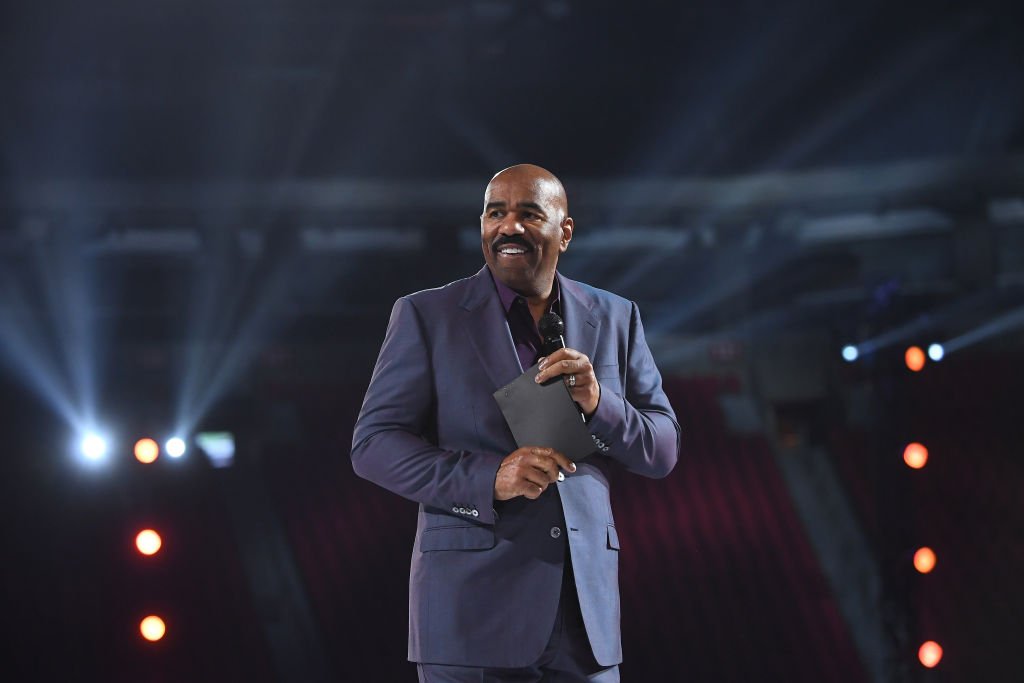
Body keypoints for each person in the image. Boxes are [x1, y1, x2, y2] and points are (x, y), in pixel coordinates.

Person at [351, 164, 680, 682]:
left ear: (564, 231)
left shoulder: (617, 316)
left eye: (529, 214)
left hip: (584, 627)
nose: (509, 227)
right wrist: (488, 478)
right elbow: (372, 444)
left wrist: (599, 403)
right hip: (469, 621)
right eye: (495, 213)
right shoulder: (426, 315)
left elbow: (661, 450)